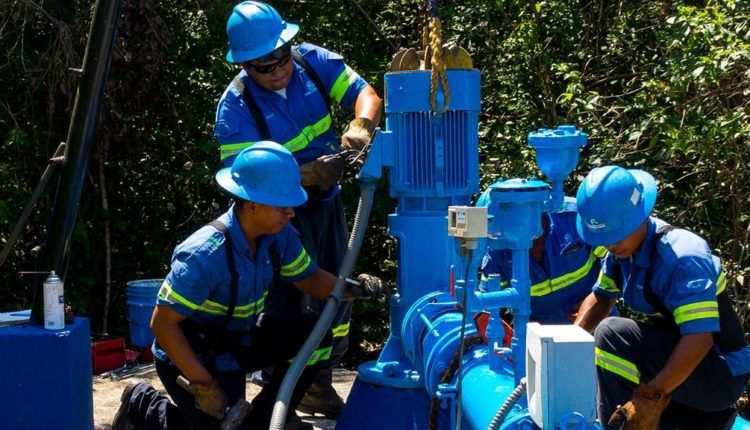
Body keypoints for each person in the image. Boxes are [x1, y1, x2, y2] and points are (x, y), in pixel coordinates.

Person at [112, 143, 385, 430]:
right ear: (253, 205)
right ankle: (141, 403)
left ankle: (265, 418)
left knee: (314, 335)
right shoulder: (205, 255)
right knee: (218, 425)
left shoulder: (280, 236)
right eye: (282, 206)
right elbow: (162, 324)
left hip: (236, 340)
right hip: (192, 354)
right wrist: (204, 385)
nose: (291, 213)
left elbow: (311, 278)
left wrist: (355, 288)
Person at [214, 1, 383, 418]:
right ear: (245, 65)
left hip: (326, 204)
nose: (278, 70)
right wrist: (305, 175)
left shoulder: (313, 62)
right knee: (288, 306)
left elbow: (366, 94)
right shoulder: (236, 109)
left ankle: (316, 384)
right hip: (278, 216)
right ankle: (278, 400)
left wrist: (361, 126)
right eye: (264, 66)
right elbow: (247, 182)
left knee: (337, 292)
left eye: (282, 57)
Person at [573, 165, 750, 430]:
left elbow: (699, 339)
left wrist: (649, 398)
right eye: (605, 238)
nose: (610, 244)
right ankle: (687, 419)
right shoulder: (622, 253)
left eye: (616, 236)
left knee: (612, 334)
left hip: (720, 375)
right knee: (614, 334)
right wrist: (565, 342)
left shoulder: (682, 257)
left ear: (640, 217)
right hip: (689, 364)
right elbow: (602, 298)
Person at [479, 190, 607, 324]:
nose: (507, 239)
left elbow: (611, 260)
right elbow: (485, 307)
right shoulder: (496, 248)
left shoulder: (574, 217)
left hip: (597, 319)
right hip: (539, 333)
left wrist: (596, 298)